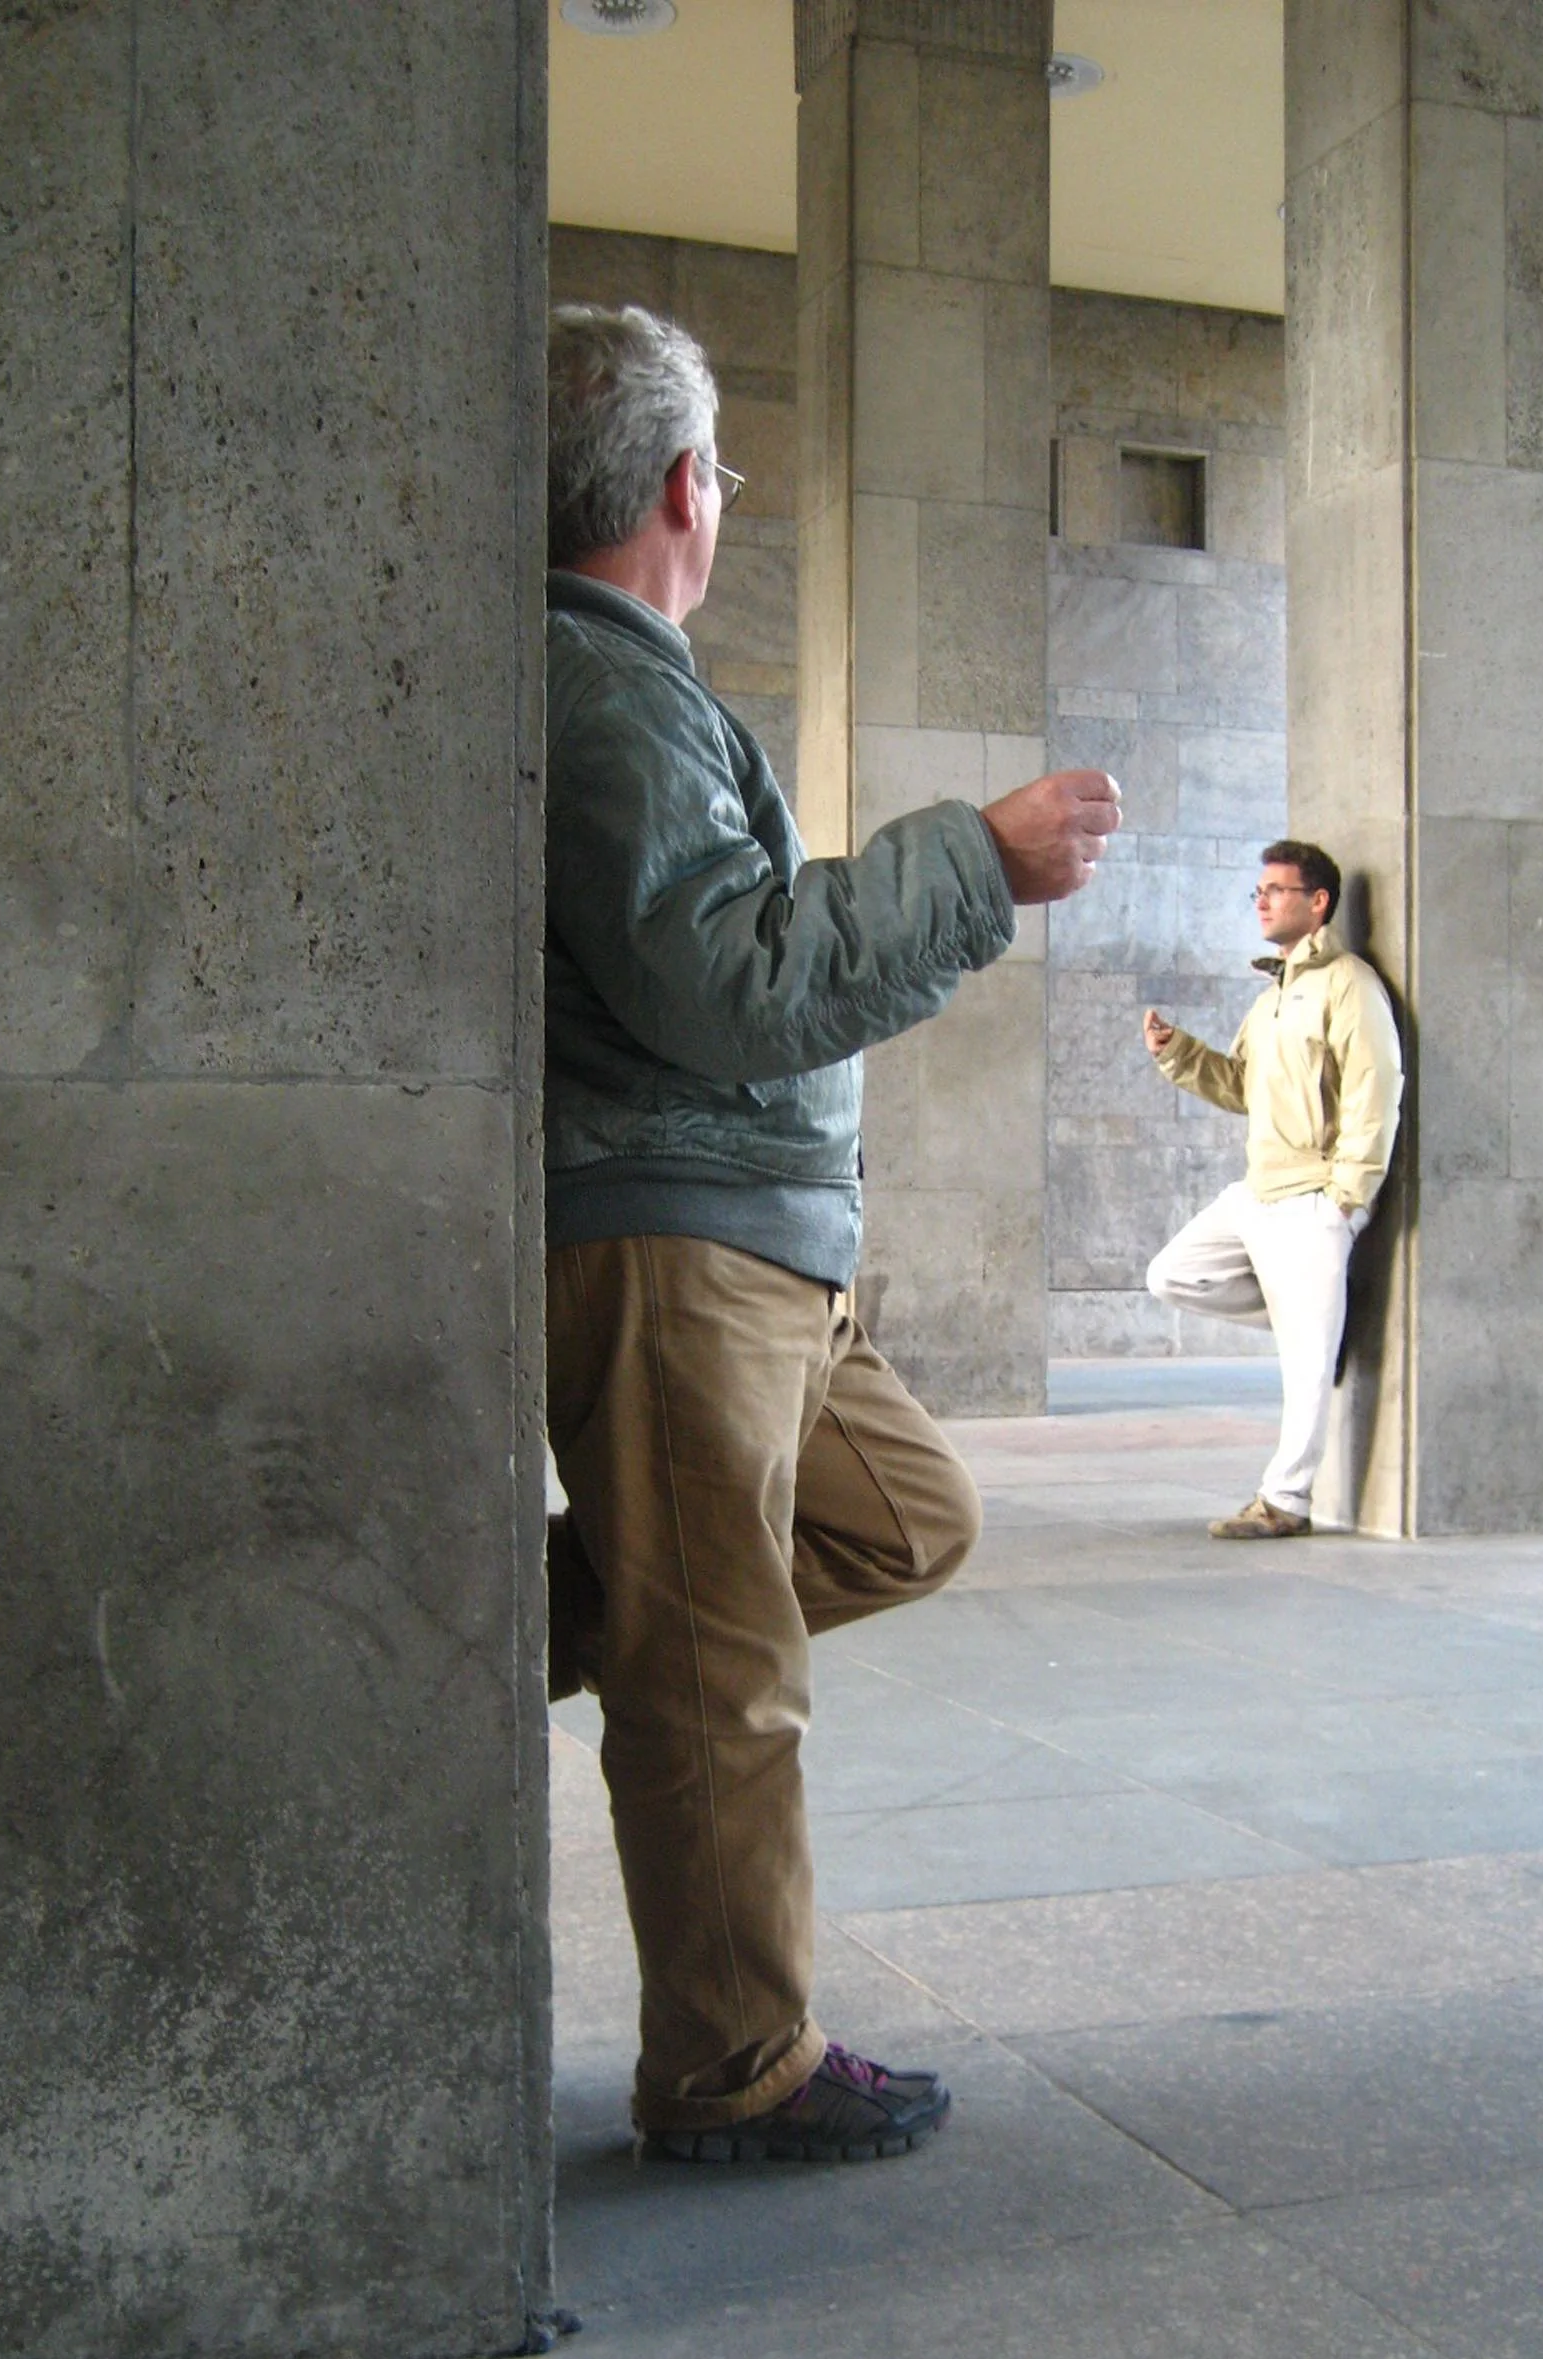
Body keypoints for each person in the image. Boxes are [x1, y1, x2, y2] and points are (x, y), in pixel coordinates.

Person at [543, 303, 1120, 2163]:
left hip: (754, 1237)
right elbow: (729, 977)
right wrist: (981, 859)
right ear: (686, 486)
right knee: (720, 1676)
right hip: (676, 1236)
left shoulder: (621, 677)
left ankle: (495, 1631)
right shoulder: (602, 685)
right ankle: (735, 2069)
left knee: (899, 1515)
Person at [1141, 840, 1401, 1540]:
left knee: (1306, 1370)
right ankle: (1316, 1319)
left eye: (1277, 889)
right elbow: (1240, 1086)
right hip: (1259, 1191)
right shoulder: (1273, 995)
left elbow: (1378, 1090)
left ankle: (1285, 1500)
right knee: (1171, 1274)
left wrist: (1348, 1195)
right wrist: (1179, 1053)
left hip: (1317, 1195)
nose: (1261, 900)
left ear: (1317, 902)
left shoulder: (1350, 983)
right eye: (1258, 890)